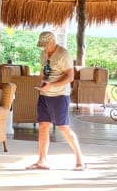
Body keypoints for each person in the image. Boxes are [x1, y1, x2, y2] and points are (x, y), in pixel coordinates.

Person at [26, 30, 87, 171]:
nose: (43, 48)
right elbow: (43, 71)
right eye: (42, 45)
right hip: (44, 95)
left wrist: (52, 85)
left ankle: (80, 160)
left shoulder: (64, 55)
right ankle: (42, 161)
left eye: (45, 45)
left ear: (52, 42)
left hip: (59, 96)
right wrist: (41, 83)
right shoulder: (43, 54)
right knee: (43, 127)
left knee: (63, 128)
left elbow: (70, 77)